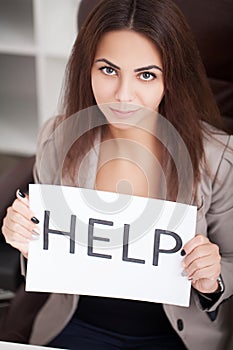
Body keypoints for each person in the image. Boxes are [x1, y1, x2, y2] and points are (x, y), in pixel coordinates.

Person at [2, 0, 233, 349]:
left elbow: (230, 263)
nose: (123, 96)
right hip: (78, 325)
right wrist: (26, 239)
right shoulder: (59, 138)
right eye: (108, 70)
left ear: (171, 78)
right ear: (87, 69)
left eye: (146, 75)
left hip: (173, 336)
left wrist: (214, 277)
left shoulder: (220, 160)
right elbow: (46, 254)